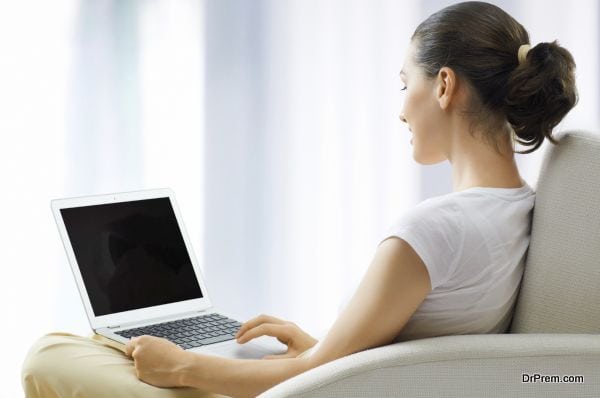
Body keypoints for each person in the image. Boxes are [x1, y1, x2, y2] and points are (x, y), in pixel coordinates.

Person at [21, 2, 578, 397]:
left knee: (52, 352)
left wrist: (185, 367)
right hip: (337, 385)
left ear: (445, 85)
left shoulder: (433, 230)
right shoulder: (519, 211)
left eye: (403, 81)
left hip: (304, 393)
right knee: (101, 349)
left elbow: (311, 376)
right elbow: (395, 356)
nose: (401, 108)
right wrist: (319, 344)